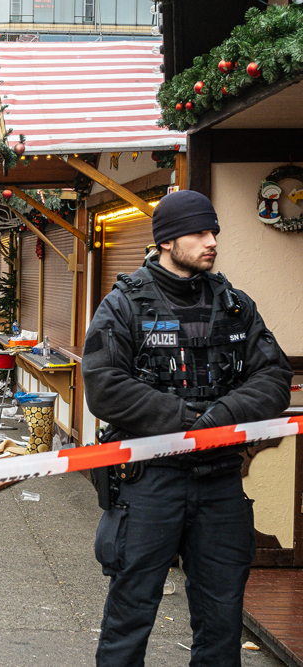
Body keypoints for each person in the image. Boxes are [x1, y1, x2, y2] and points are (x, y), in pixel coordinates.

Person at [81, 189, 292, 666]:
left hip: (220, 483)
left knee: (221, 621)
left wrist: (220, 418)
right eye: (198, 232)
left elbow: (274, 377)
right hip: (149, 484)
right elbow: (104, 386)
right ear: (166, 240)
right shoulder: (124, 305)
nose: (211, 241)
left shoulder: (235, 305)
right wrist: (185, 421)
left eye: (213, 231)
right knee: (129, 617)